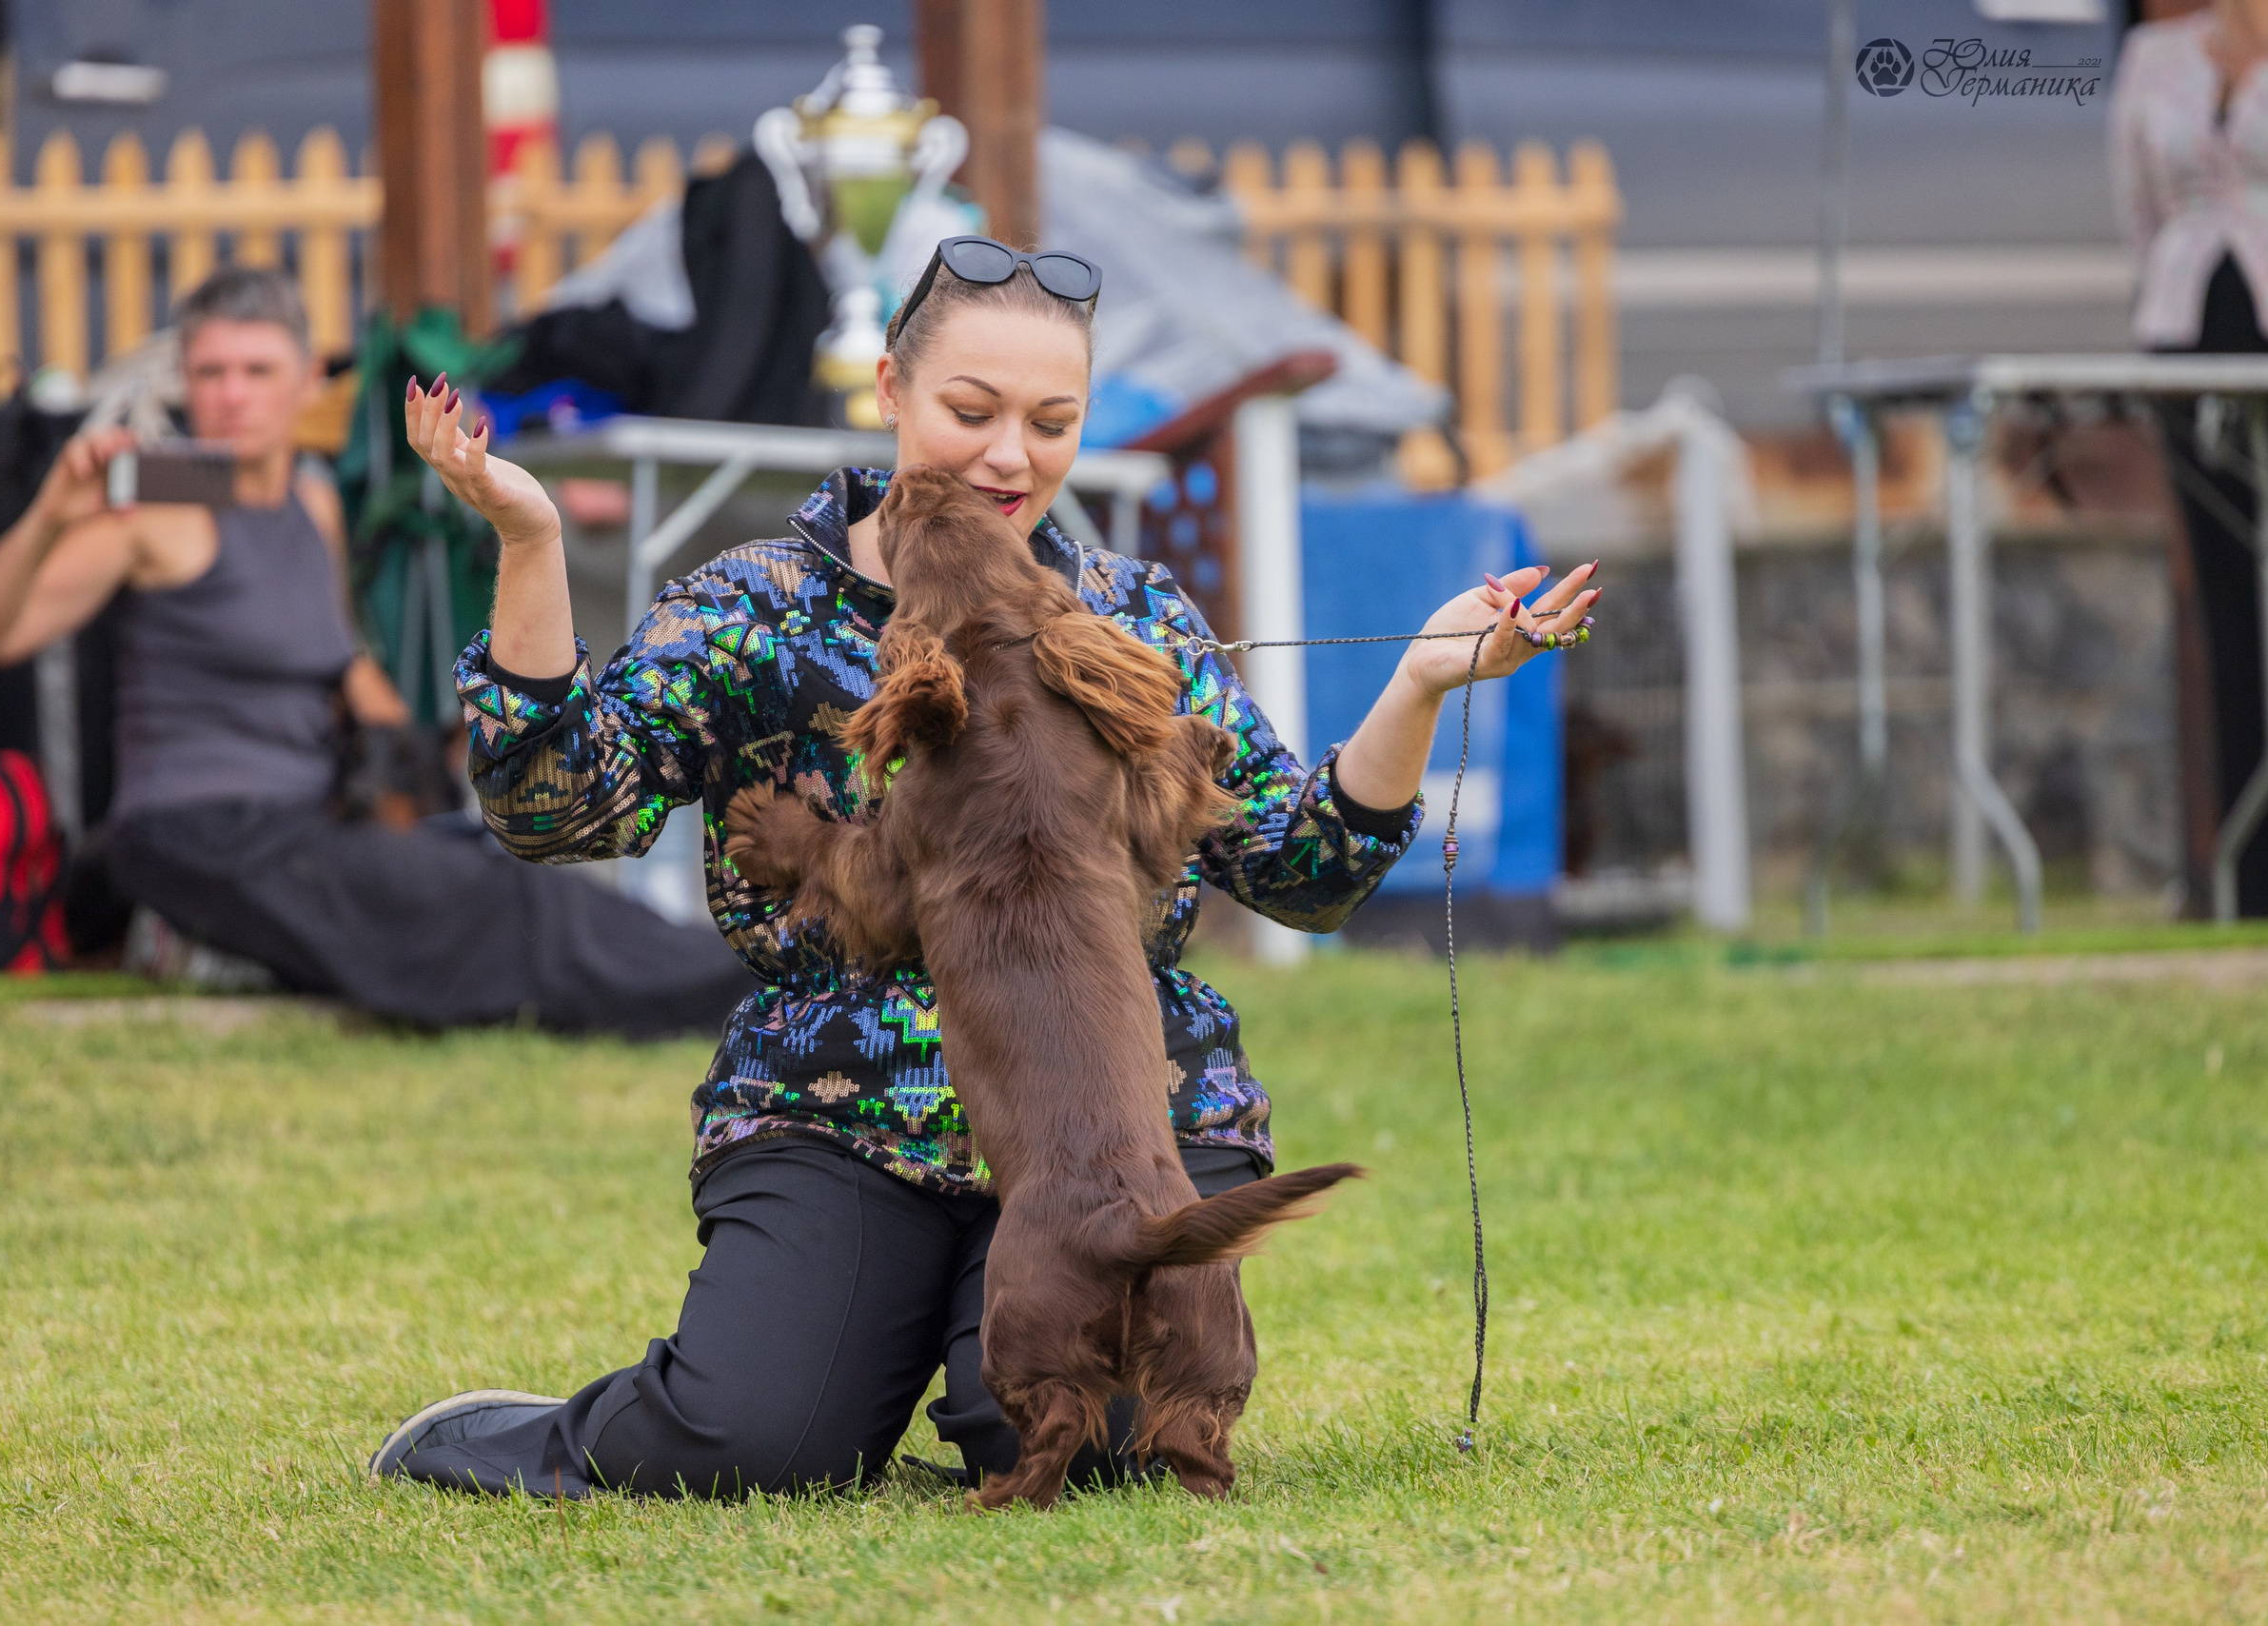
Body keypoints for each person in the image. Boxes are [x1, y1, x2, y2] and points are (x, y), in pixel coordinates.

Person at [369, 237, 1600, 1499]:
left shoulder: (1132, 617)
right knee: (752, 1447)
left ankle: (976, 1370)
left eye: (1052, 422)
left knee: (1099, 1447)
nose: (1013, 457)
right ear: (891, 392)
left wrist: (1418, 683)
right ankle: (552, 1425)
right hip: (847, 1108)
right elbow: (557, 812)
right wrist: (529, 541)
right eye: (972, 411)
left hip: (1121, 1124)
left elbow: (1307, 870)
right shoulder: (754, 606)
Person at [0, 266, 758, 1036]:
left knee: (498, 875)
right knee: (477, 911)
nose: (231, 395)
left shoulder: (311, 500)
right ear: (185, 385)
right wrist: (52, 511)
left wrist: (464, 772)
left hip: (305, 819)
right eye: (210, 372)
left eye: (257, 371)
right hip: (198, 828)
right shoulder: (159, 507)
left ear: (307, 381)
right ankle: (723, 988)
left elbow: (345, 664)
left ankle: (740, 970)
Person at [2114, 0, 2268, 913]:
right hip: (2190, 342)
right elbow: (2137, 215)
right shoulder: (2155, 56)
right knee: (2229, 613)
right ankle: (2252, 883)